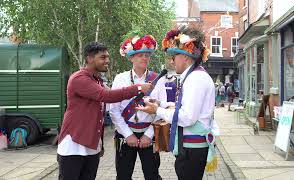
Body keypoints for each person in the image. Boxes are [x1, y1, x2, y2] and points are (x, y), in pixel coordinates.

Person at [57, 42, 152, 180]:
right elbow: (106, 96)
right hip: (74, 145)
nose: (107, 60)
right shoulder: (79, 78)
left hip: (91, 146)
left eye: (107, 57)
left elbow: (112, 98)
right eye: (102, 57)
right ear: (89, 59)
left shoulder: (97, 81)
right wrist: (138, 88)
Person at [137, 26, 218, 180]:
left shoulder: (195, 79)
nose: (172, 61)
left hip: (192, 149)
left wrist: (157, 110)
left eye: (174, 57)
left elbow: (188, 117)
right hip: (190, 147)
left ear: (185, 57)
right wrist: (160, 104)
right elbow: (185, 108)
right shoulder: (194, 76)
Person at [110, 34, 166, 180]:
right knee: (123, 175)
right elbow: (114, 110)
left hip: (150, 134)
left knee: (152, 175)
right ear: (131, 57)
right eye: (140, 55)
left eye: (147, 55)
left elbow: (162, 110)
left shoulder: (157, 79)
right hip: (125, 134)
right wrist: (128, 135)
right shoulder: (120, 78)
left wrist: (149, 134)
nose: (145, 58)